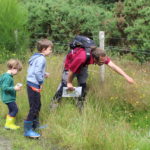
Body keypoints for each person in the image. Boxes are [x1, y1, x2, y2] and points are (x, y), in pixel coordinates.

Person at [50, 45, 135, 111]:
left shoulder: (101, 56)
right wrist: (69, 82)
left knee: (82, 84)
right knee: (64, 84)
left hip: (83, 65)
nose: (103, 63)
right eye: (101, 62)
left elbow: (113, 66)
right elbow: (71, 70)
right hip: (71, 64)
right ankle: (54, 105)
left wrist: (127, 77)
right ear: (94, 58)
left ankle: (80, 105)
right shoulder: (82, 57)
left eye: (104, 61)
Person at [24, 39, 53, 138]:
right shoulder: (42, 59)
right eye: (50, 49)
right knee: (34, 107)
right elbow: (36, 73)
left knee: (38, 105)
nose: (51, 51)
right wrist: (41, 81)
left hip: (31, 83)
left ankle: (35, 125)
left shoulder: (35, 57)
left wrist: (44, 74)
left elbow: (34, 70)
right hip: (34, 84)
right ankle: (27, 130)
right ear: (44, 49)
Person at [0, 59, 22, 130]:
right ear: (13, 68)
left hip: (6, 97)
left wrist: (13, 87)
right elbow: (4, 87)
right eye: (17, 70)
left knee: (11, 110)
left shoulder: (4, 75)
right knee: (15, 110)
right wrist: (14, 88)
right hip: (8, 98)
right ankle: (9, 125)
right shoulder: (8, 78)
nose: (17, 72)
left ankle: (9, 124)